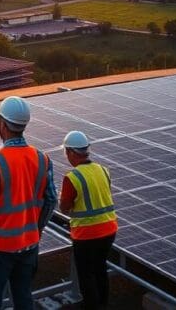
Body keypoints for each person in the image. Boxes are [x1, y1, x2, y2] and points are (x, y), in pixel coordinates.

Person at [0, 96, 57, 310]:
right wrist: (38, 228)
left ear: (3, 125)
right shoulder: (42, 159)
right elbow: (51, 200)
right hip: (29, 245)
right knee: (24, 296)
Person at [59, 131, 118, 310]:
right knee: (100, 269)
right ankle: (102, 304)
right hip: (109, 230)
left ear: (70, 152)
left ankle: (92, 306)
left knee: (86, 275)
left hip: (86, 234)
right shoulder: (103, 170)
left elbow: (64, 207)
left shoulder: (72, 177)